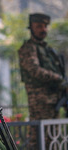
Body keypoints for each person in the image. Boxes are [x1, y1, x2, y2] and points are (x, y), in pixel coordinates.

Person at [18, 13, 67, 149]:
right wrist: (59, 79)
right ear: (31, 27)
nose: (43, 29)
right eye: (39, 26)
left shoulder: (48, 50)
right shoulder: (28, 48)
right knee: (38, 138)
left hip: (54, 100)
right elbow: (34, 70)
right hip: (40, 101)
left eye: (45, 26)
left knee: (53, 137)